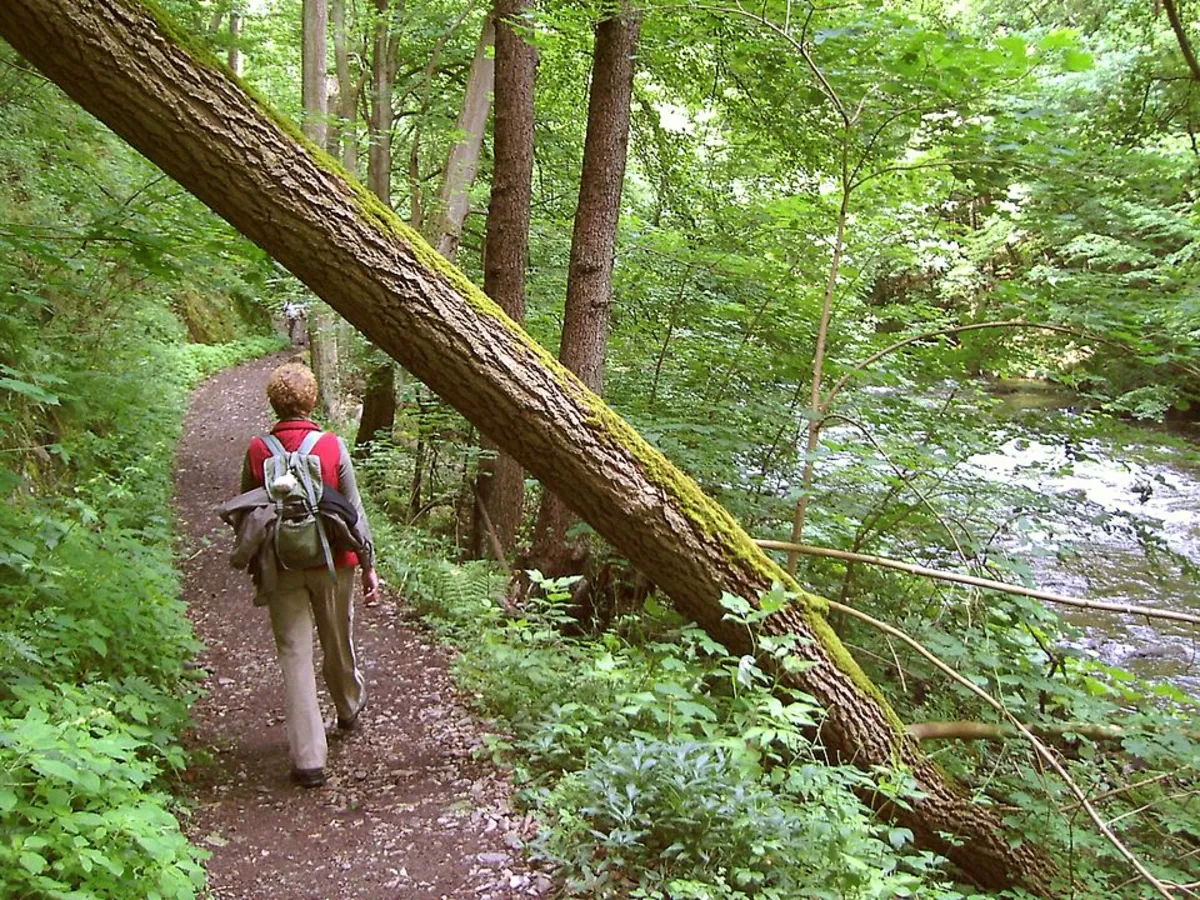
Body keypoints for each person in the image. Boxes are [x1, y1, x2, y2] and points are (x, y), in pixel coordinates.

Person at [240, 361, 379, 788]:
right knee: (338, 639)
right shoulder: (332, 446)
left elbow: (245, 510)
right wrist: (369, 564)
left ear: (274, 402)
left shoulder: (258, 450)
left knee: (294, 655)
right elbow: (353, 512)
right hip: (334, 565)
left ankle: (308, 759)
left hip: (281, 566)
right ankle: (347, 706)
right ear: (312, 400)